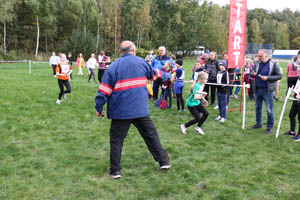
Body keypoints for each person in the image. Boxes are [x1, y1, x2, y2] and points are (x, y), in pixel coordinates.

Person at [94, 41, 171, 179]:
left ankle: (115, 171)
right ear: (133, 50)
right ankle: (163, 161)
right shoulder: (142, 63)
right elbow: (157, 74)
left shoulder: (113, 67)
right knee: (151, 136)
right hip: (140, 110)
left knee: (117, 140)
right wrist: (169, 77)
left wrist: (99, 108)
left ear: (121, 51)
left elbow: (103, 91)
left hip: (120, 112)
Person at [250, 49, 282, 134]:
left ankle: (269, 127)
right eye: (258, 56)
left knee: (269, 109)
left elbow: (279, 76)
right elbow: (252, 72)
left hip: (267, 90)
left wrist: (267, 78)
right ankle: (258, 123)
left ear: (266, 56)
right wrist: (252, 74)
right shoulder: (257, 63)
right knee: (257, 107)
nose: (258, 58)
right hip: (257, 88)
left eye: (260, 56)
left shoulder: (273, 64)